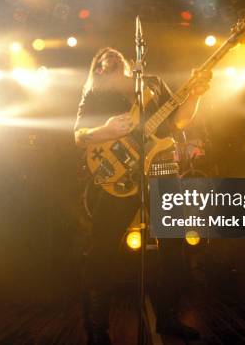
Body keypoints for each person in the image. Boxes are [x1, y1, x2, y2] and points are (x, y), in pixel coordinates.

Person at [74, 47, 209, 344]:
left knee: (174, 245)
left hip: (161, 167)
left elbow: (179, 120)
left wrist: (196, 94)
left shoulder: (152, 83)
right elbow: (79, 135)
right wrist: (106, 130)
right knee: (102, 247)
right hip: (120, 176)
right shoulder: (95, 95)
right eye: (99, 63)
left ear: (125, 63)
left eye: (112, 60)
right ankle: (97, 331)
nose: (105, 64)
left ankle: (168, 317)